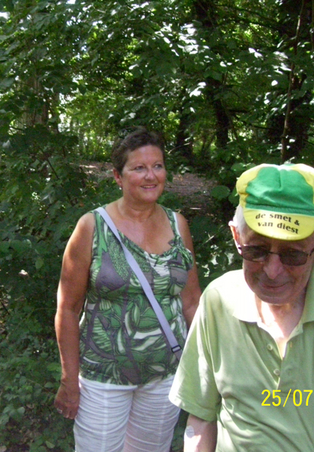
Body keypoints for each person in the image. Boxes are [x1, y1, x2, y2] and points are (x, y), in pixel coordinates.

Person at [169, 163, 314, 452]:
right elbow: (201, 419)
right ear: (237, 238)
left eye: (293, 255)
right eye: (257, 251)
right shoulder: (219, 300)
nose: (273, 271)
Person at [54, 127, 201, 452]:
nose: (151, 176)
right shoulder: (92, 227)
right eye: (139, 168)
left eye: (158, 166)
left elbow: (191, 301)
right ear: (118, 177)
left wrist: (203, 365)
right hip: (103, 379)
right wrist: (69, 379)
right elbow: (67, 308)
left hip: (164, 375)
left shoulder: (179, 225)